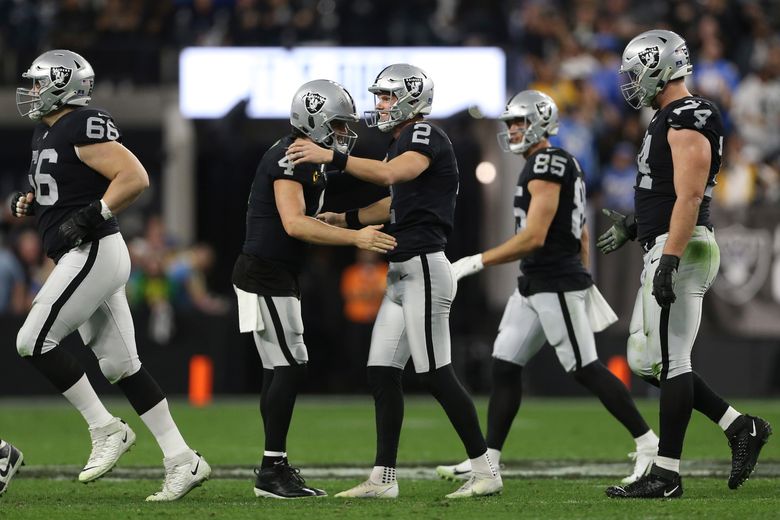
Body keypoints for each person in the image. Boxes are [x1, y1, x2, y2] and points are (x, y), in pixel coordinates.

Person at [288, 63, 502, 499]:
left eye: (387, 96)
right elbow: (391, 202)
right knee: (382, 373)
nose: (380, 104)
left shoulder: (424, 135)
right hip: (403, 269)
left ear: (411, 98)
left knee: (437, 374)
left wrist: (333, 156)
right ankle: (383, 478)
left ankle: (485, 470)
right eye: (380, 96)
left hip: (424, 266)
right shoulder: (400, 141)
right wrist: (344, 218)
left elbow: (393, 175)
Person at [11, 49, 210, 501]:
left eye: (40, 83)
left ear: (64, 84)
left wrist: (93, 213)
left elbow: (134, 176)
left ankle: (105, 428)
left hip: (94, 249)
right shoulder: (47, 132)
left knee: (32, 341)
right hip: (80, 254)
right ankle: (183, 459)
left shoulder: (82, 123)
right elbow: (59, 189)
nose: (33, 92)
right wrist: (27, 201)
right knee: (122, 366)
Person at [434, 90, 658, 485]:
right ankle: (488, 461)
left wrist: (475, 261)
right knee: (505, 365)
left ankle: (648, 445)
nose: (513, 129)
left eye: (520, 122)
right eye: (511, 123)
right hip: (537, 280)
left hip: (554, 279)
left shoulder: (546, 162)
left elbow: (535, 236)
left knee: (585, 368)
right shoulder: (549, 162)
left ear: (540, 123)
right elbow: (583, 230)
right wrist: (585, 274)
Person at [598, 30, 772, 499]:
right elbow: (668, 194)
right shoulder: (667, 117)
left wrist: (669, 257)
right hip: (668, 241)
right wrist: (636, 227)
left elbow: (692, 195)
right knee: (645, 359)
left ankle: (667, 474)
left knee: (673, 361)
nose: (630, 81)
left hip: (686, 247)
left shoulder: (690, 114)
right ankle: (741, 427)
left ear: (658, 66)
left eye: (636, 71)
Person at [232, 79, 397, 499]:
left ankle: (273, 466)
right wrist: (356, 239)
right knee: (290, 365)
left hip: (276, 273)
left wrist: (343, 221)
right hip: (265, 273)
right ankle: (271, 469)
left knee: (281, 367)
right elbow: (293, 222)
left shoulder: (311, 159)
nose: (343, 133)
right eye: (338, 124)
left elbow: (308, 219)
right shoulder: (291, 156)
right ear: (314, 119)